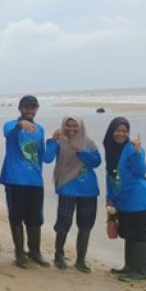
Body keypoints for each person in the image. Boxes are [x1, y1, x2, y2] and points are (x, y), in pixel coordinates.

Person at [43, 114, 101, 272]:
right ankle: (59, 255)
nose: (71, 129)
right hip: (66, 186)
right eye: (68, 125)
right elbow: (47, 158)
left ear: (81, 126)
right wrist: (52, 141)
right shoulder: (60, 141)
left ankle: (81, 259)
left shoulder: (88, 142)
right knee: (63, 223)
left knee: (85, 226)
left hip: (88, 190)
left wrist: (82, 151)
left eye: (75, 126)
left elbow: (96, 162)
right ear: (63, 126)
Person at [0, 95, 50, 268]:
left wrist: (55, 143)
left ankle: (34, 251)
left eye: (33, 108)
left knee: (36, 218)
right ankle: (20, 253)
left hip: (35, 180)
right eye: (26, 108)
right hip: (15, 179)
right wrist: (19, 125)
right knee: (16, 217)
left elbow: (44, 157)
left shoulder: (40, 129)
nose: (30, 111)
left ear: (37, 109)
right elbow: (8, 133)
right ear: (20, 109)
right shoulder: (11, 125)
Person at [104, 117, 146, 282]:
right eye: (118, 130)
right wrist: (109, 199)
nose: (121, 134)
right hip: (122, 200)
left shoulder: (133, 148)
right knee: (127, 233)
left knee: (138, 233)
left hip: (138, 199)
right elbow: (110, 176)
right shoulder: (111, 150)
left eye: (125, 131)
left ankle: (139, 272)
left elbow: (140, 171)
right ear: (111, 132)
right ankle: (129, 267)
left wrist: (139, 152)